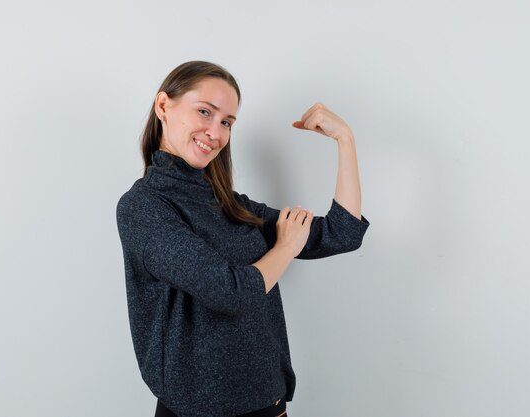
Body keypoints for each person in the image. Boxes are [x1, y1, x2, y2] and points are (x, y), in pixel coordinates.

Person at [116, 61, 369, 417]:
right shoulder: (142, 207)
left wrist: (346, 141)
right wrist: (285, 246)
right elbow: (230, 291)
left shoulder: (228, 203)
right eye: (204, 111)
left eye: (226, 122)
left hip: (268, 401)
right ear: (163, 106)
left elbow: (341, 234)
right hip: (199, 409)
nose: (215, 132)